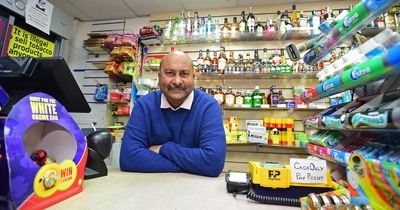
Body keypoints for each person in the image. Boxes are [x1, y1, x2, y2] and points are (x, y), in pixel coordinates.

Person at [120, 51, 226, 177]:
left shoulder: (209, 107)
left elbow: (213, 162)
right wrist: (192, 166)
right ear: (159, 77)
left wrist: (164, 149)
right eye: (169, 73)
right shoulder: (144, 105)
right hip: (149, 188)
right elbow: (129, 157)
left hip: (196, 192)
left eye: (184, 74)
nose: (177, 81)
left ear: (194, 78)